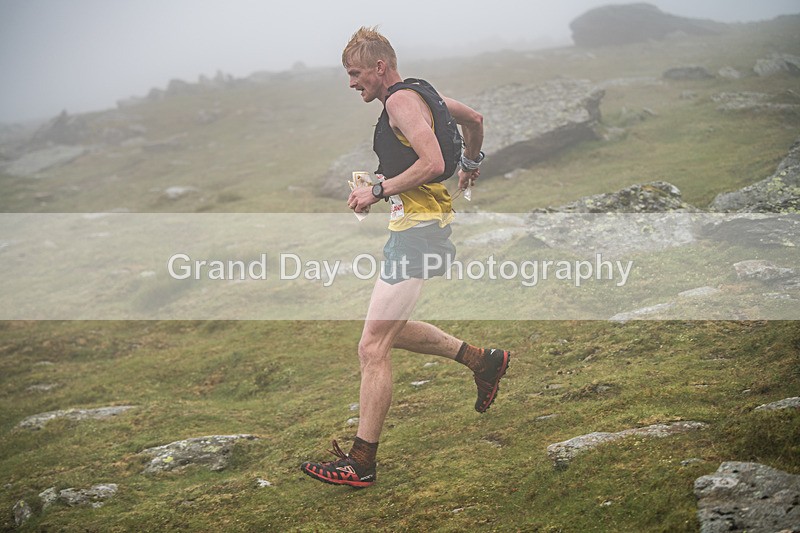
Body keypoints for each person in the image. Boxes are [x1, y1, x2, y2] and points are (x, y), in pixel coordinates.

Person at [300, 26, 511, 488]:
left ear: (379, 67)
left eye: (355, 74)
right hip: (420, 228)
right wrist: (472, 165)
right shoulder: (422, 93)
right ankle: (483, 361)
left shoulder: (399, 101)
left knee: (371, 346)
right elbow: (473, 118)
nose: (352, 83)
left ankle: (361, 462)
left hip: (418, 233)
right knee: (386, 332)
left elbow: (434, 163)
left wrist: (378, 189)